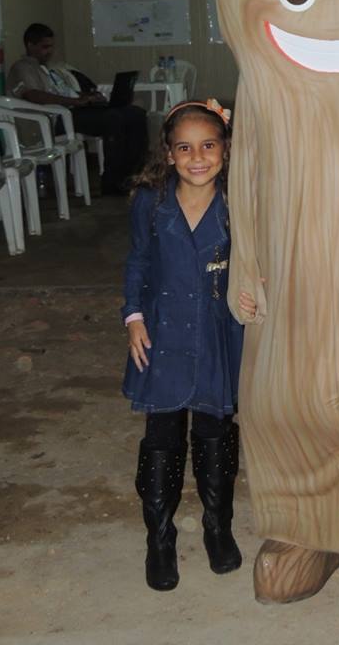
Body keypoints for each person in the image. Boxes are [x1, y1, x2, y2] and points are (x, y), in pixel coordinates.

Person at [122, 99, 254, 592]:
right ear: (169, 153)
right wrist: (132, 316)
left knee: (215, 429)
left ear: (225, 148)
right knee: (162, 434)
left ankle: (218, 528)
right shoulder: (150, 203)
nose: (197, 157)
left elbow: (257, 256)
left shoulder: (239, 199)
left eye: (208, 145)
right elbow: (137, 262)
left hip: (218, 330)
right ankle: (159, 538)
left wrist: (252, 288)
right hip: (164, 332)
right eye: (185, 148)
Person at [6, 23, 148, 194]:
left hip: (68, 111)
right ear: (30, 45)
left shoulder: (45, 69)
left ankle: (136, 174)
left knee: (134, 113)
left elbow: (60, 91)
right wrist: (73, 101)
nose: (49, 51)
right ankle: (113, 181)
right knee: (113, 119)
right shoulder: (23, 67)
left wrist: (85, 97)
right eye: (45, 47)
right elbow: (33, 95)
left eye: (51, 46)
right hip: (50, 121)